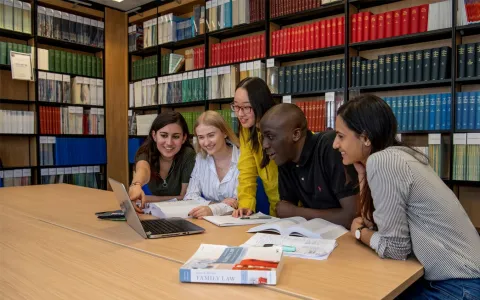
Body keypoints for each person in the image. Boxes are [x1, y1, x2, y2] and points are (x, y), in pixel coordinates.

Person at [332, 94, 480, 299]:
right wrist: (363, 176)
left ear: (365, 138)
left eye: (340, 136)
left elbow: (394, 248)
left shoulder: (384, 161)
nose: (335, 145)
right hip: (459, 279)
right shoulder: (399, 156)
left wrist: (359, 233)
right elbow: (373, 224)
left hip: (459, 286)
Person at [259, 103, 359, 229]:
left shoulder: (330, 148)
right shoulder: (285, 157)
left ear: (296, 134)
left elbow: (352, 216)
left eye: (270, 137)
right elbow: (284, 210)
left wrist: (296, 212)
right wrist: (292, 212)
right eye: (263, 137)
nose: (264, 145)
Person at [128, 111, 196, 213]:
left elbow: (184, 198)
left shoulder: (188, 155)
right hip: (155, 213)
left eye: (176, 136)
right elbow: (143, 169)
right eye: (164, 135)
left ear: (184, 138)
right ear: (154, 135)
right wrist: (136, 185)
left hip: (179, 214)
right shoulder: (145, 151)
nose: (169, 143)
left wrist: (147, 199)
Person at [231, 77, 280, 217]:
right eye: (236, 106)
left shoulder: (281, 126)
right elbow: (247, 172)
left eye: (246, 107)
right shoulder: (247, 130)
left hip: (300, 209)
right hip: (276, 212)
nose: (240, 114)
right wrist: (246, 205)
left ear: (260, 104)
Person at [185, 111, 240, 219]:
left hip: (239, 222)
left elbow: (239, 203)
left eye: (211, 135)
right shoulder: (201, 159)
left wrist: (212, 208)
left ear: (224, 133)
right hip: (210, 222)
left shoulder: (242, 157)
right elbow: (190, 196)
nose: (206, 143)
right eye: (201, 137)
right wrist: (213, 205)